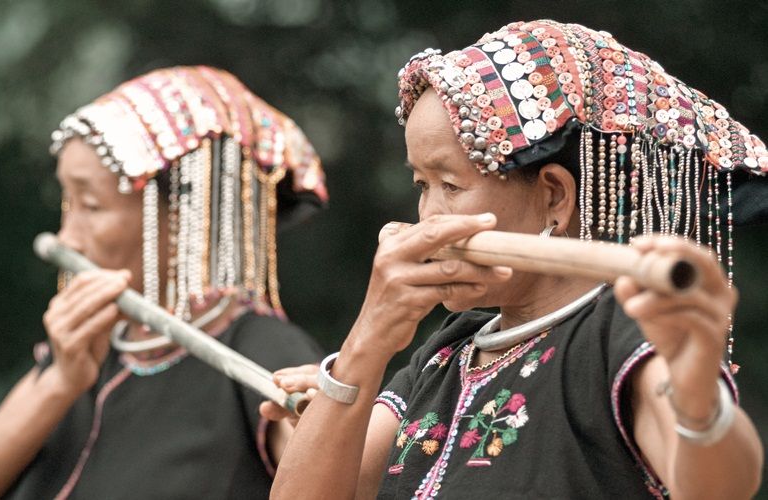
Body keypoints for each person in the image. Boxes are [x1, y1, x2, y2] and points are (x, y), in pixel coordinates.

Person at [267, 20, 766, 499]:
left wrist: (697, 394)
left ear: (553, 197)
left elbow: (717, 488)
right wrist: (365, 346)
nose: (428, 218)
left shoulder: (623, 331)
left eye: (451, 185)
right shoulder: (446, 355)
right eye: (422, 185)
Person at [0, 66, 328, 500]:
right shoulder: (89, 342)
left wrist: (323, 425)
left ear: (183, 215)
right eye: (68, 203)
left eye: (91, 205)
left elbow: (325, 481)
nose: (66, 238)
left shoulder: (262, 346)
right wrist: (61, 381)